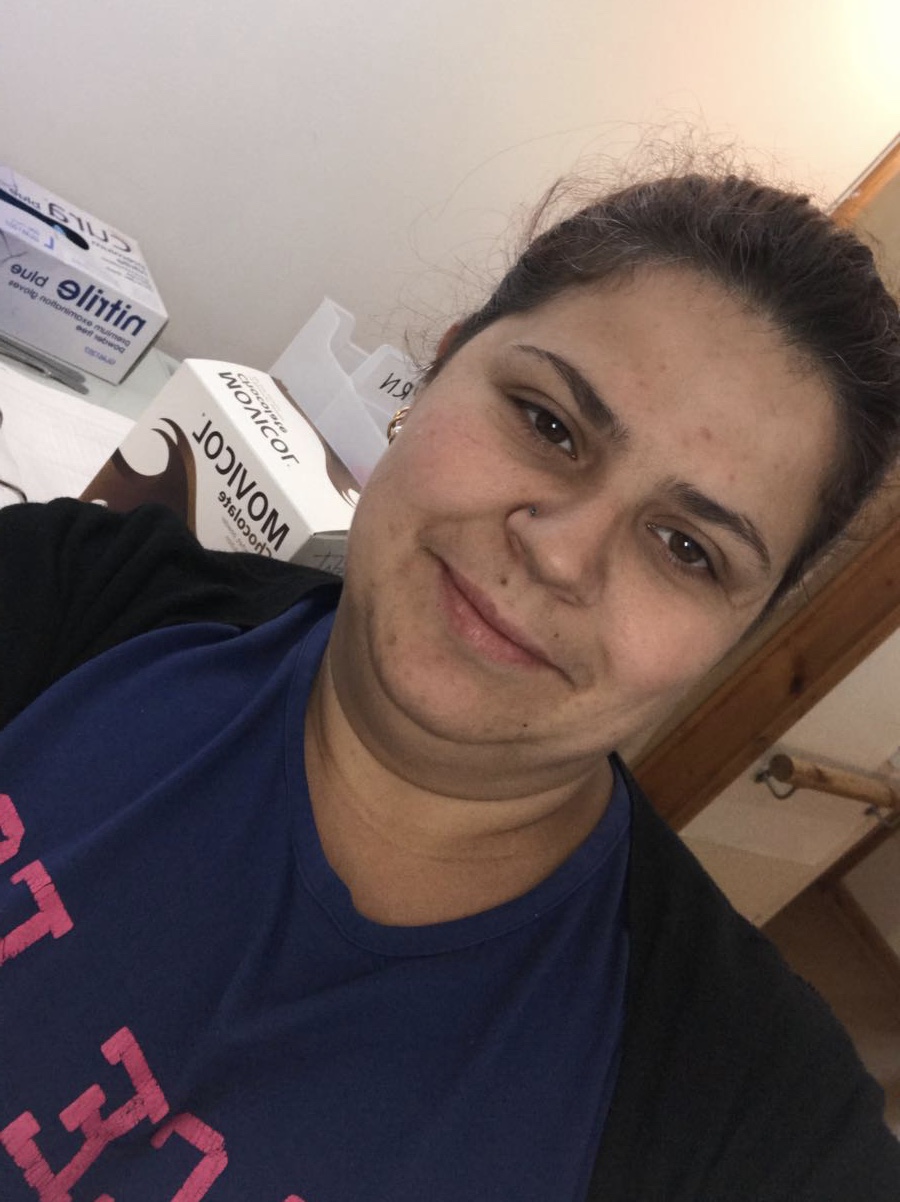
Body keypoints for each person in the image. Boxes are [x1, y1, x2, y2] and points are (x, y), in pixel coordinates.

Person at [1, 170, 899, 1202]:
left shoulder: (744, 1113)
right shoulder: (78, 593)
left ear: (740, 629)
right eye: (548, 423)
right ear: (434, 373)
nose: (562, 554)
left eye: (687, 548)